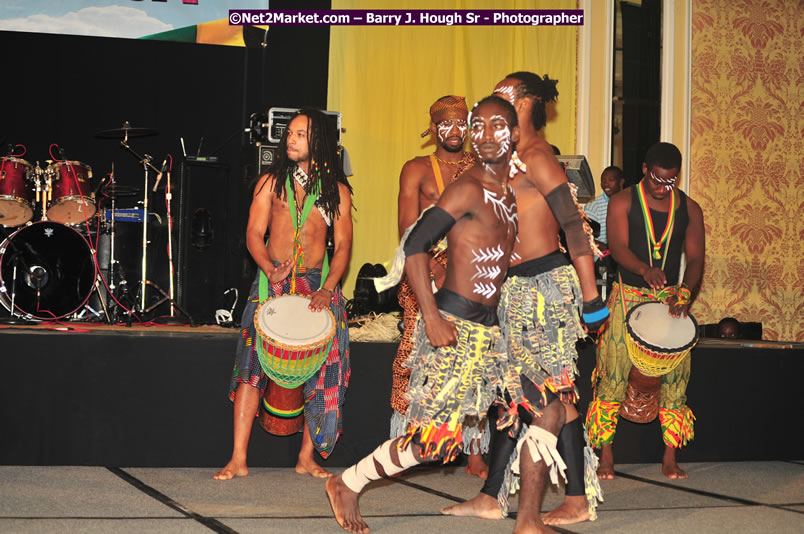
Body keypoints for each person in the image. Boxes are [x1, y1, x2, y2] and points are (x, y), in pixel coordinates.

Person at [327, 96, 535, 534]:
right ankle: (348, 481)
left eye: (496, 125)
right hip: (455, 322)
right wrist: (433, 316)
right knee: (433, 443)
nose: (482, 133)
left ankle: (498, 500)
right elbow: (415, 244)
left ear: (515, 134)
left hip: (491, 326)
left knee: (527, 406)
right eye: (478, 126)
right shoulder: (468, 187)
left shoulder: (509, 191)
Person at [441, 72, 608, 527]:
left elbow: (574, 226)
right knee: (518, 393)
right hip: (510, 288)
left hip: (542, 287)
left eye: (502, 87)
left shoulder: (537, 156)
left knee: (541, 393)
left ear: (519, 100)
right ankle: (503, 494)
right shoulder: (502, 161)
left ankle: (561, 499)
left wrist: (592, 299)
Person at [214, 108, 353, 480]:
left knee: (324, 372)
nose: (290, 139)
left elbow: (342, 247)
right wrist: (267, 268)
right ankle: (238, 459)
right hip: (272, 282)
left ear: (319, 142)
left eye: (300, 134)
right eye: (289, 133)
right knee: (250, 370)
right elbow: (252, 234)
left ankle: (306, 458)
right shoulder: (269, 183)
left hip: (318, 286)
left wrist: (327, 288)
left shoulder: (335, 190)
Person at [585, 141, 705, 480]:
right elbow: (619, 248)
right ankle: (606, 455)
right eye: (656, 179)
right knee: (612, 377)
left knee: (675, 381)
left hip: (670, 299)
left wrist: (684, 290)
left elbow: (696, 258)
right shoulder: (623, 201)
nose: (662, 187)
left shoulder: (690, 209)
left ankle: (669, 457)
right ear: (644, 170)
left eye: (670, 181)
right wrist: (643, 269)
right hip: (628, 295)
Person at [392, 96, 485, 477]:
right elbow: (406, 228)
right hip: (423, 267)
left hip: (472, 270)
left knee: (475, 359)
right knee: (416, 355)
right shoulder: (416, 169)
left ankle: (475, 450)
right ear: (433, 129)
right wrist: (432, 267)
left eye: (461, 124)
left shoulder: (480, 168)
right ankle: (408, 441)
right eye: (446, 125)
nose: (454, 132)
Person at [584, 166, 625, 250]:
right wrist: (609, 250)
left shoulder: (628, 203)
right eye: (603, 180)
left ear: (621, 182)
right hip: (602, 256)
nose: (606, 184)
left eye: (611, 180)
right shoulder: (593, 206)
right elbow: (586, 238)